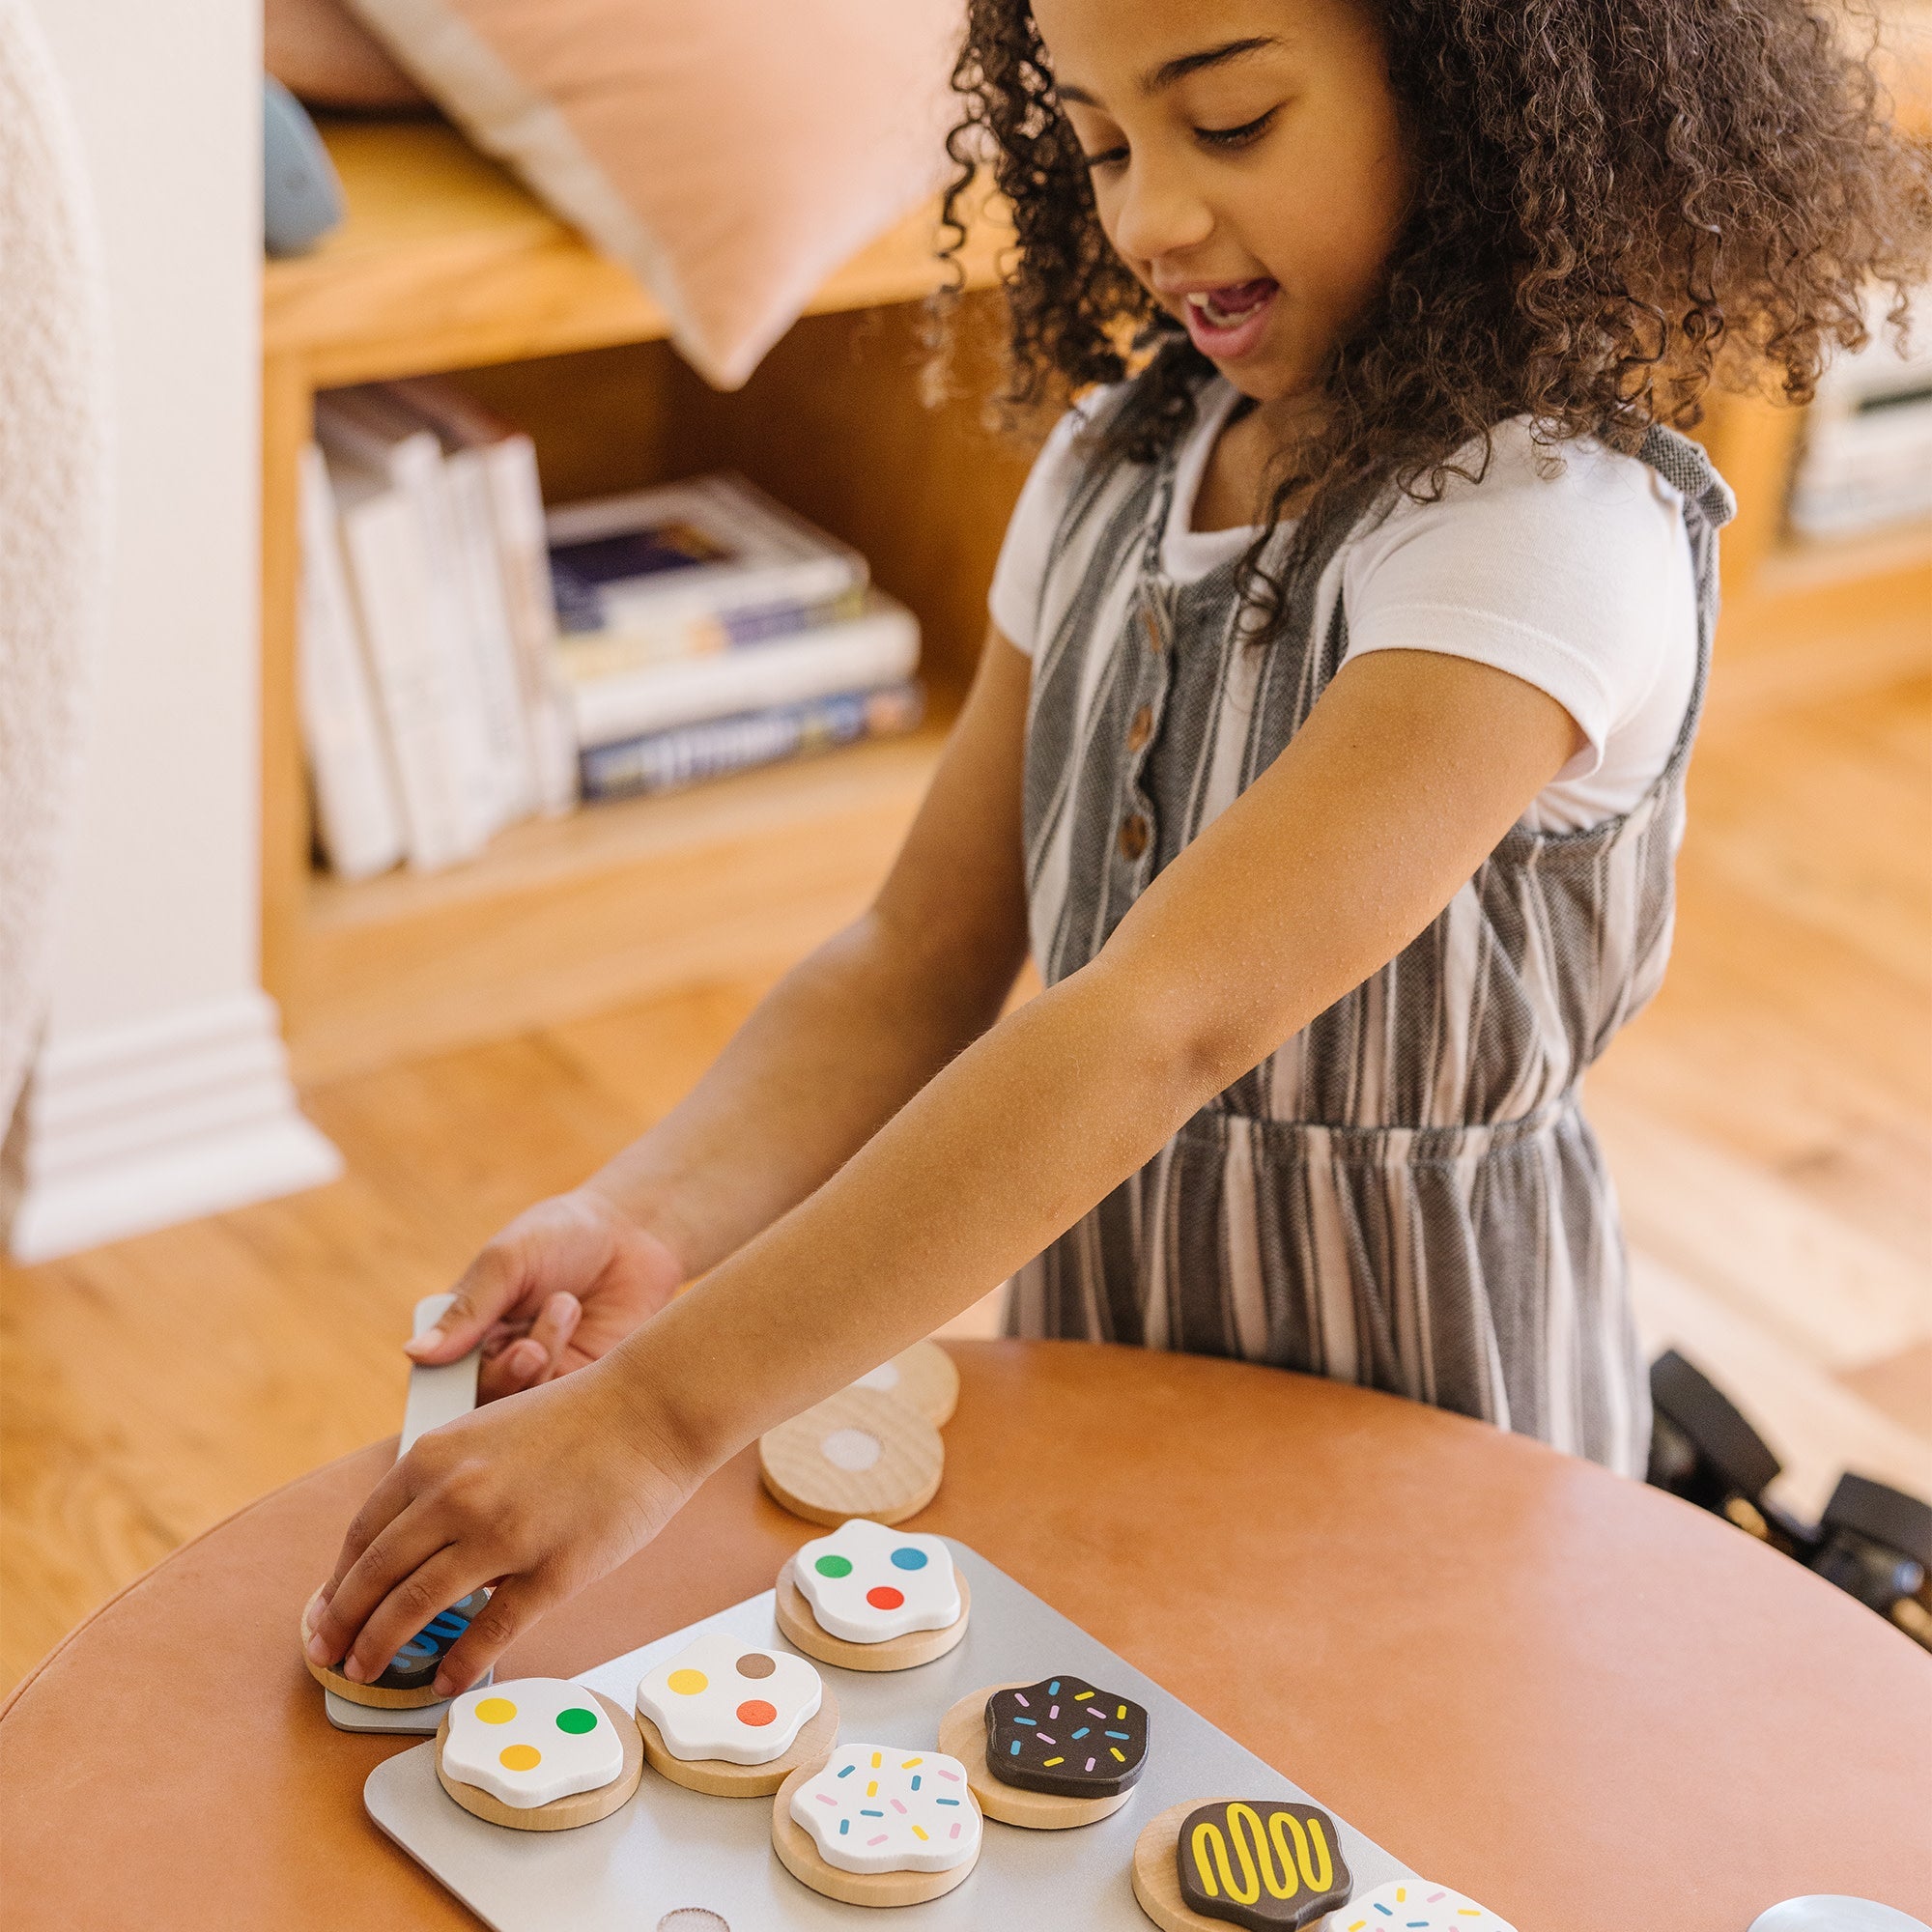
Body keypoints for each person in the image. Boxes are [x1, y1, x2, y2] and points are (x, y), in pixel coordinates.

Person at [304, 0, 1932, 1697]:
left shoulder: (1542, 529)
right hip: (1104, 1342)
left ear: (1476, 93)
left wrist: (658, 1419)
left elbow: (1158, 1022)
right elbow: (909, 963)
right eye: (1096, 143)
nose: (1150, 216)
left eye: (1227, 124)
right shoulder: (1117, 462)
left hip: (1430, 1407)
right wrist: (648, 1220)